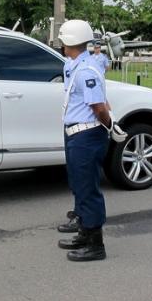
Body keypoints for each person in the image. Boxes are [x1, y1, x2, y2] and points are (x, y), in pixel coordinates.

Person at [56, 19, 125, 262]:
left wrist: (110, 125)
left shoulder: (86, 70)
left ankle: (96, 245)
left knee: (88, 190)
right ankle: (84, 233)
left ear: (70, 41)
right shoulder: (76, 64)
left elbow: (98, 106)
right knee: (79, 185)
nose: (61, 42)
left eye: (63, 39)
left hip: (86, 134)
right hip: (76, 133)